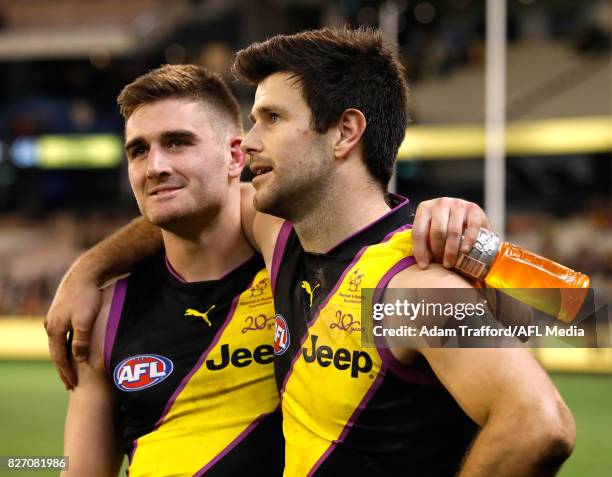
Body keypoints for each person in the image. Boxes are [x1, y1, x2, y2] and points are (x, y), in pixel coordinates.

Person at [46, 27, 574, 476]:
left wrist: (482, 244)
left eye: (270, 120)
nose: (249, 143)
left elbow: (545, 407)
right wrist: (88, 269)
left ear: (345, 132)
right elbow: (192, 201)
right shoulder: (283, 241)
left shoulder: (412, 284)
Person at [63, 65, 283, 476]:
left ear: (235, 156)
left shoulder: (300, 269)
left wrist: (441, 216)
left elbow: (431, 344)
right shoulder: (105, 316)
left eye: (177, 142)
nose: (155, 166)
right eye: (138, 150)